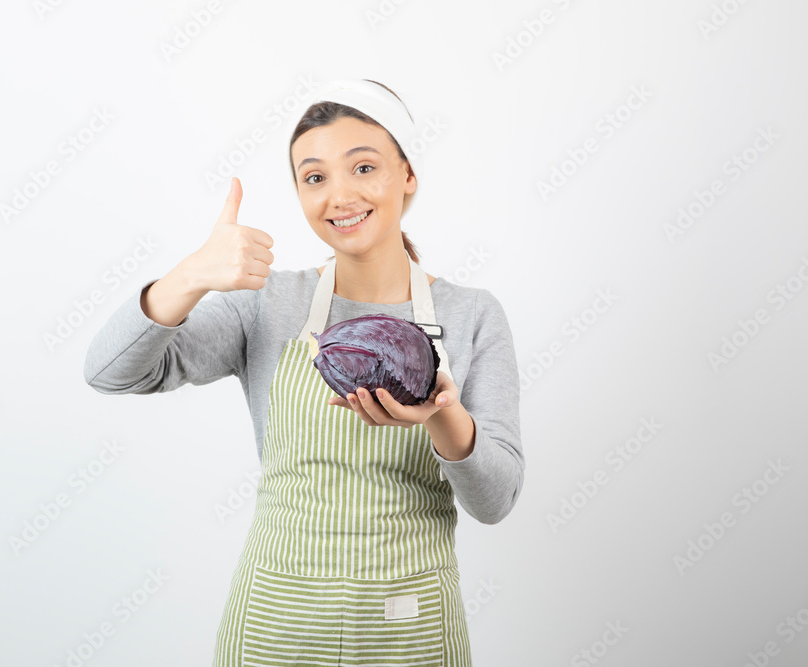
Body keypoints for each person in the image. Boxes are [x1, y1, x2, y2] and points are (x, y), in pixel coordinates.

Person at [83, 78, 524, 666]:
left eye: (363, 167)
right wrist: (188, 276)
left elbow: (495, 501)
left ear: (407, 176)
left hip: (408, 626)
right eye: (315, 177)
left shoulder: (472, 314)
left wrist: (443, 414)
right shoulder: (268, 304)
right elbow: (111, 372)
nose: (339, 195)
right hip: (274, 627)